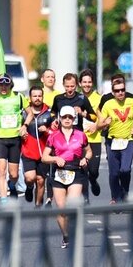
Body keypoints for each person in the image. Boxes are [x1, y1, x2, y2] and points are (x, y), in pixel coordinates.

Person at [42, 105, 92, 249]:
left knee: (72, 205)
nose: (67, 119)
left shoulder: (81, 135)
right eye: (64, 117)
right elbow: (44, 157)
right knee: (61, 209)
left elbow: (88, 151)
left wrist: (85, 159)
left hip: (76, 171)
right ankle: (66, 235)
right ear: (60, 118)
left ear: (74, 118)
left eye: (70, 117)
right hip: (59, 173)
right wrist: (55, 159)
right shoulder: (53, 136)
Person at [0, 73, 33, 203]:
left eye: (6, 84)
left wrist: (25, 126)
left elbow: (30, 114)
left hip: (15, 138)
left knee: (14, 174)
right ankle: (4, 200)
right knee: (1, 171)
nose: (3, 87)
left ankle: (12, 185)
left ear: (10, 84)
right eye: (1, 84)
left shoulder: (19, 97)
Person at [98, 74, 133, 204]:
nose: (120, 93)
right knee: (114, 173)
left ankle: (125, 192)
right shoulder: (108, 104)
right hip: (112, 142)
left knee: (125, 169)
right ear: (113, 92)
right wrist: (105, 123)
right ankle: (115, 198)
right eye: (117, 91)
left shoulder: (132, 101)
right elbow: (99, 124)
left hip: (128, 141)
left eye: (122, 90)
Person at [22, 86, 52, 207]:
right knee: (30, 178)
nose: (37, 98)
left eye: (39, 96)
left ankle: (37, 206)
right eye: (35, 96)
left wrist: (47, 130)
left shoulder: (49, 112)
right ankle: (29, 187)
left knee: (40, 181)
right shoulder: (24, 112)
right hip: (28, 151)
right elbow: (17, 129)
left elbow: (56, 131)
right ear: (30, 98)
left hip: (44, 153)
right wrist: (21, 133)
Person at [78, 69, 105, 198]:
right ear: (80, 83)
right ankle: (85, 198)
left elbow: (104, 119)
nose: (87, 85)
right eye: (84, 82)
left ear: (92, 83)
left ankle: (93, 181)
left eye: (89, 82)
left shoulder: (99, 98)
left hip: (94, 139)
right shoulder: (76, 98)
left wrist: (96, 125)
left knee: (93, 171)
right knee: (82, 169)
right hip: (79, 140)